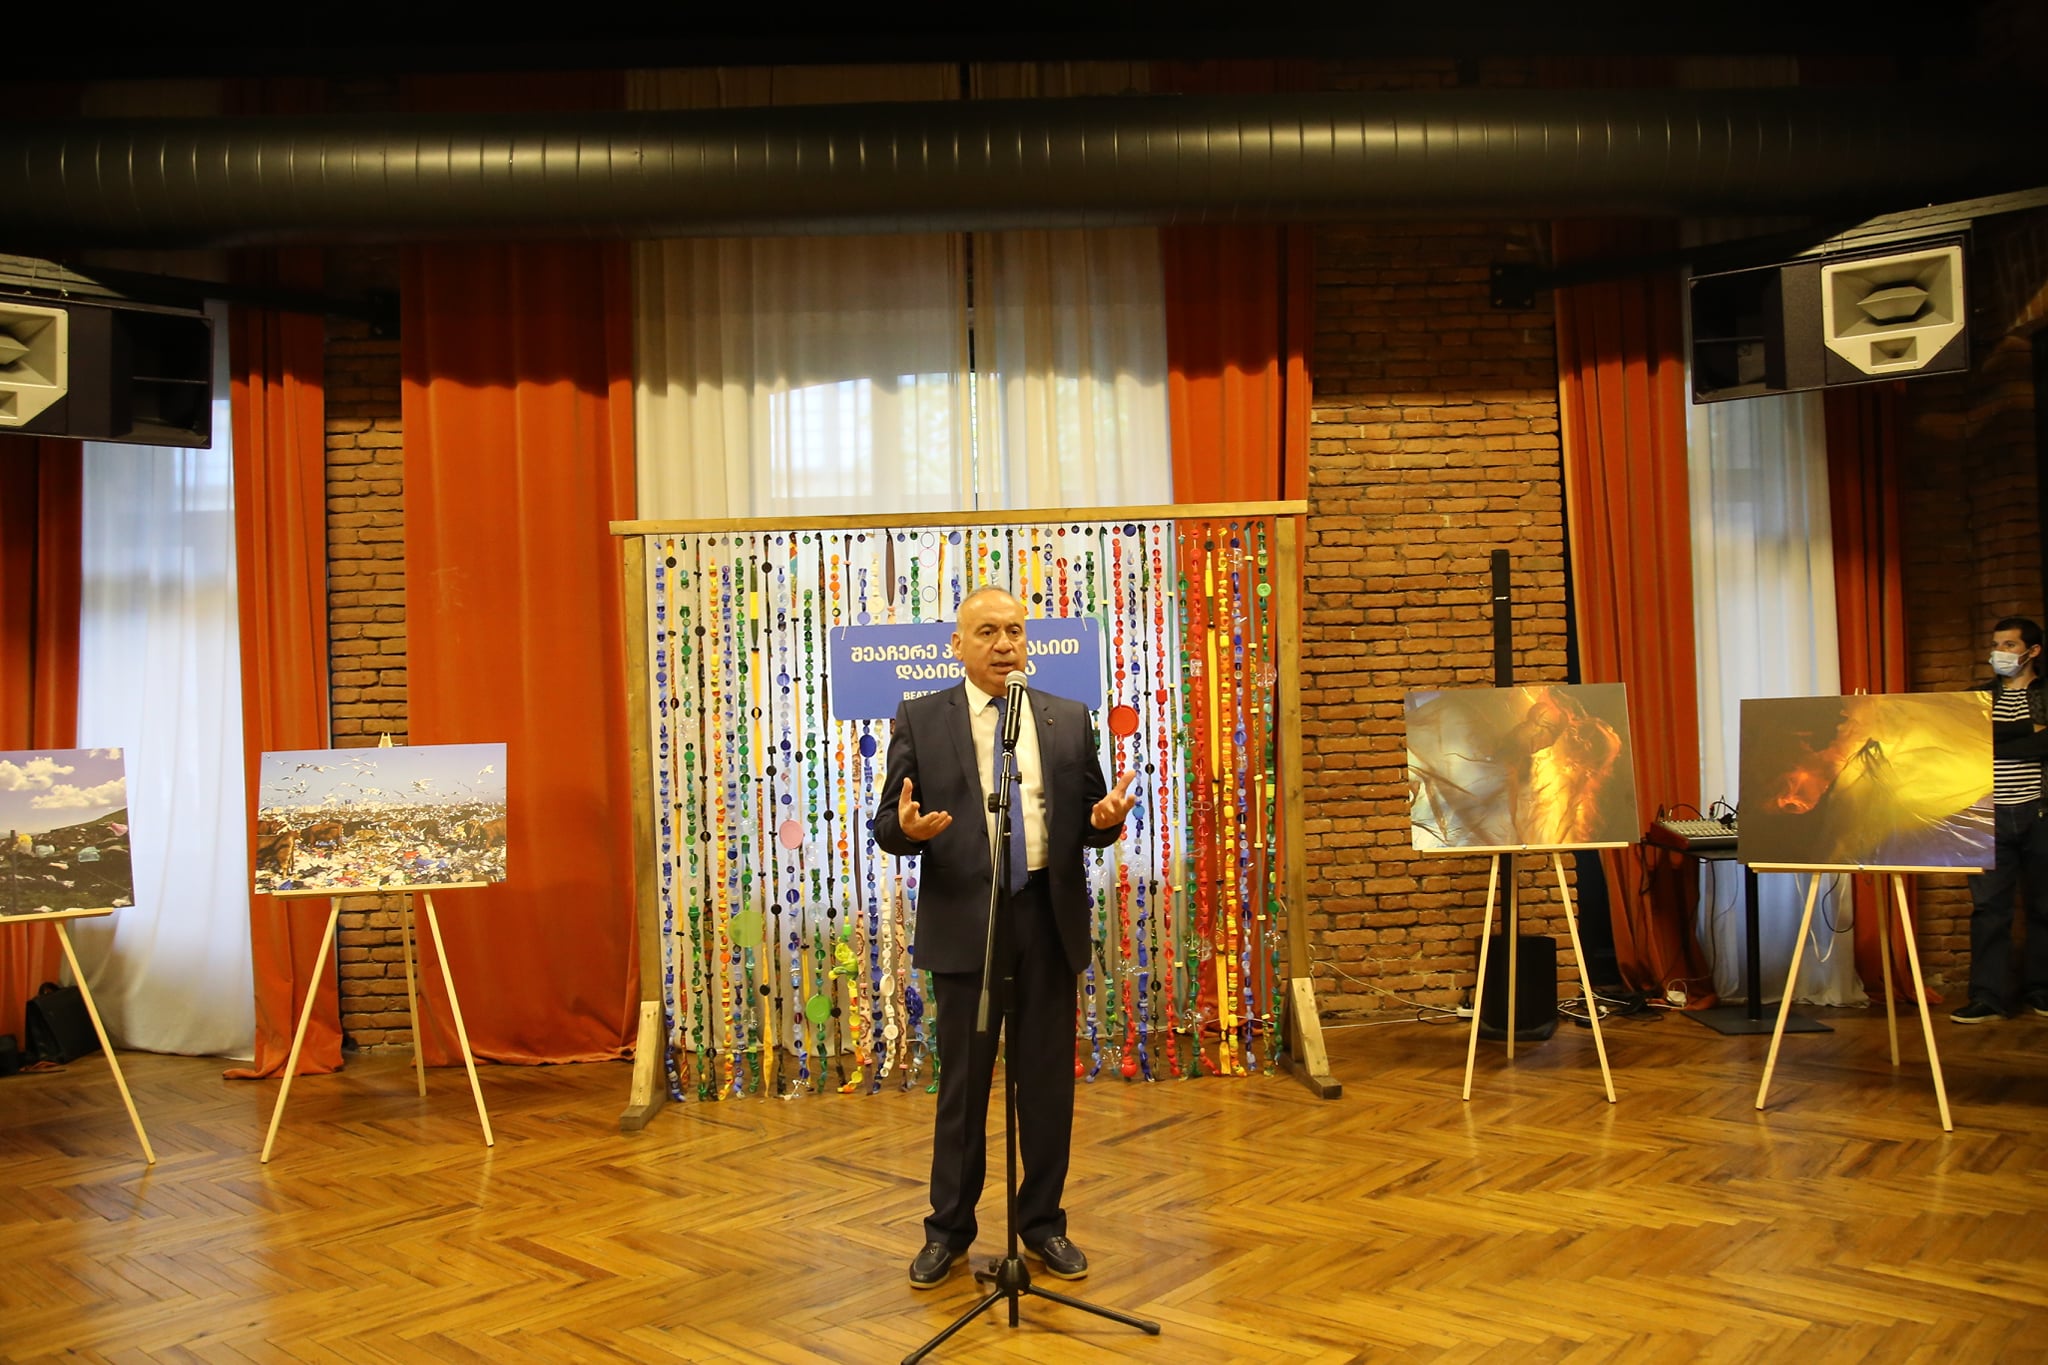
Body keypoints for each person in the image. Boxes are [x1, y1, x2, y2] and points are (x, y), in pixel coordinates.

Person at [870, 586, 1136, 1289]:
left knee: (1045, 1085)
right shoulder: (922, 718)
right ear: (957, 645)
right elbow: (888, 825)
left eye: (1014, 630)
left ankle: (1042, 1223)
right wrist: (909, 831)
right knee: (963, 1088)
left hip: (1046, 920)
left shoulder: (1068, 718)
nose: (1004, 644)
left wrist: (1105, 820)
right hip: (968, 921)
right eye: (986, 631)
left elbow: (1091, 817)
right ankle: (948, 1231)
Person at [1954, 616, 2048, 1023]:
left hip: (2040, 810)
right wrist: (2029, 733)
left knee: (2044, 905)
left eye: (2009, 645)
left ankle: (2042, 991)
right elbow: (1963, 742)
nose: (1999, 653)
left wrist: (1996, 738)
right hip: (1987, 814)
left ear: (2032, 651)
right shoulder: (1977, 697)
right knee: (1989, 908)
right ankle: (1987, 997)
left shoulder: (2044, 693)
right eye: (1996, 645)